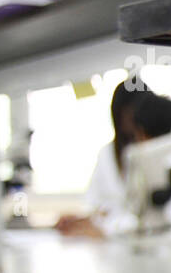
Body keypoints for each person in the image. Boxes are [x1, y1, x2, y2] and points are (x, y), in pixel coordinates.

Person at [56, 81, 146, 238]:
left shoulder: (157, 151)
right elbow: (98, 207)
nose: (129, 119)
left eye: (133, 112)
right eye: (124, 113)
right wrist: (78, 221)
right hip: (113, 243)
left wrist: (105, 228)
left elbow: (145, 218)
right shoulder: (107, 153)